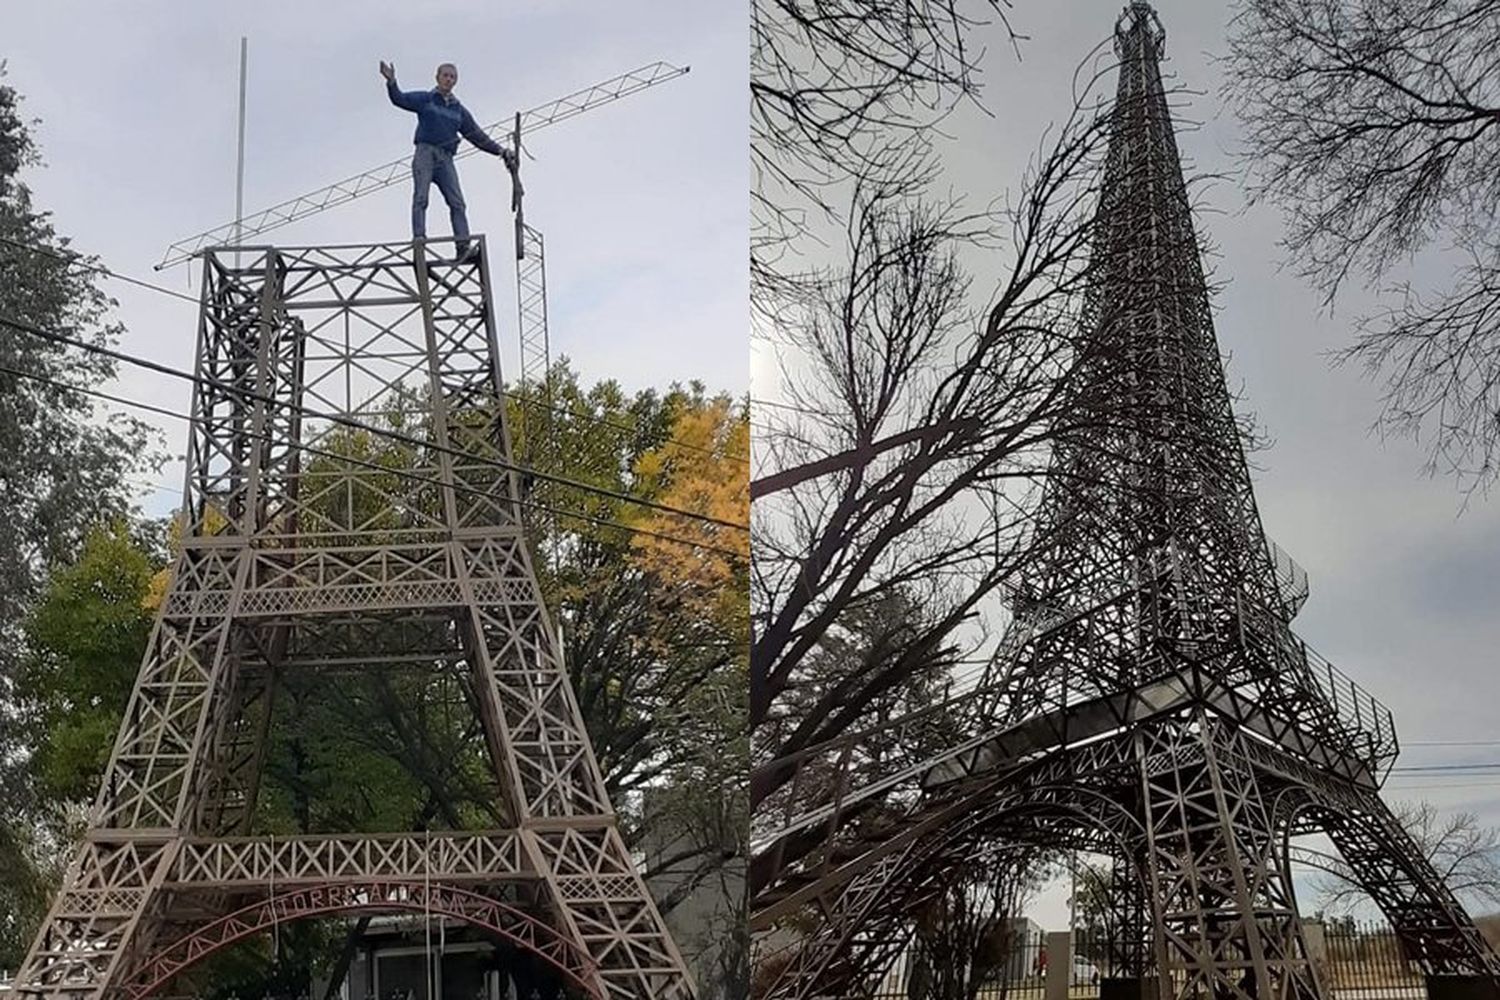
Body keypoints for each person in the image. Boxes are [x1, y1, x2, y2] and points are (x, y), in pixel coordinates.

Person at [380, 60, 515, 263]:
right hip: (425, 152)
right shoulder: (426, 99)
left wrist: (501, 151)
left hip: (446, 158)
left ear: (456, 81)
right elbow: (400, 99)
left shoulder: (458, 110)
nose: (448, 79)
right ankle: (419, 241)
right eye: (445, 75)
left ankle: (462, 246)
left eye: (452, 77)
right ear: (437, 77)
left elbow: (477, 136)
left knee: (457, 202)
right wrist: (391, 81)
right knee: (421, 198)